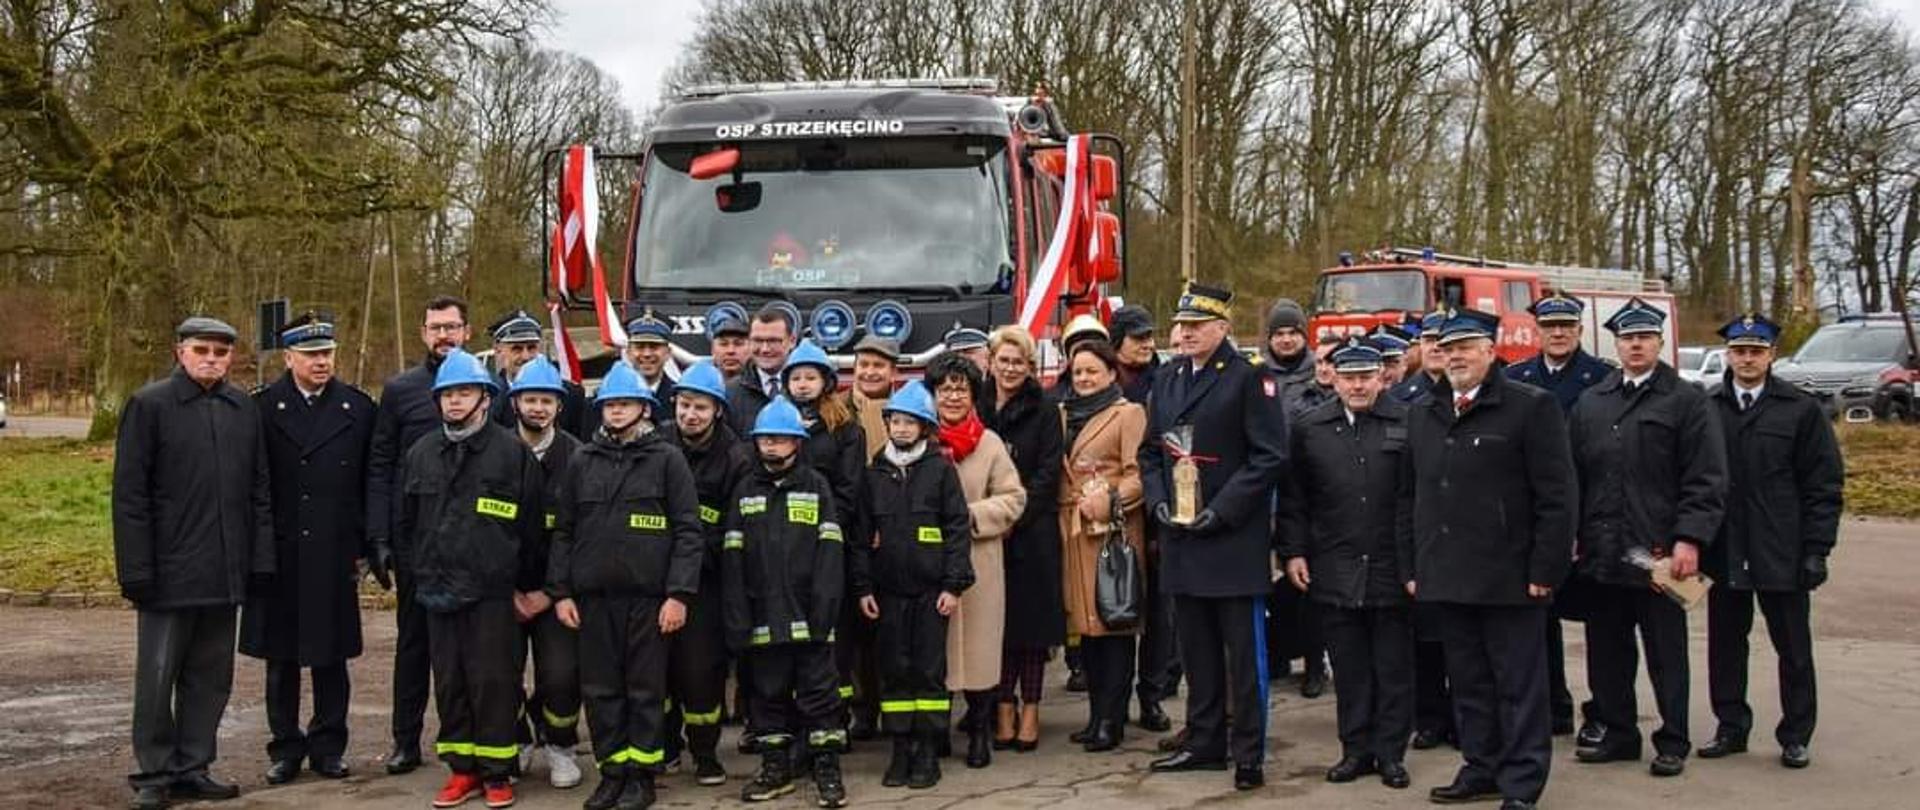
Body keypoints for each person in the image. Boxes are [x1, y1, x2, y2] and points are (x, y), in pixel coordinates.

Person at [1405, 308, 1576, 810]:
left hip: (1511, 577)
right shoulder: (1424, 412)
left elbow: (1557, 497)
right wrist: (1413, 566)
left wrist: (1546, 568)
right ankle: (1481, 766)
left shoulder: (1530, 407)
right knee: (1470, 683)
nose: (1455, 357)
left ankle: (1522, 780)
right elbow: (1408, 497)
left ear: (1490, 351)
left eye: (1466, 348)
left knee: (1519, 686)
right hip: (1448, 574)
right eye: (1448, 349)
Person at [114, 316, 274, 810]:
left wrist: (259, 560)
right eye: (201, 350)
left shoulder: (242, 408)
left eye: (221, 352)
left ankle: (193, 765)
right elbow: (130, 496)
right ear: (180, 351)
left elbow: (259, 490)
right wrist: (136, 569)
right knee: (157, 677)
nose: (211, 359)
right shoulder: (150, 405)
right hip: (167, 571)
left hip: (225, 570)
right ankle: (154, 772)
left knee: (210, 678)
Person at [1569, 297, 1727, 779]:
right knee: (1607, 651)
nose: (1635, 345)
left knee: (1666, 653)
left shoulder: (1686, 400)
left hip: (1659, 552)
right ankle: (1618, 732)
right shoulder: (1593, 401)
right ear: (1615, 345)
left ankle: (1673, 739)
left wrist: (1690, 538)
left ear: (1659, 342)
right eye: (1627, 338)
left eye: (1644, 338)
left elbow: (1706, 476)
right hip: (1603, 549)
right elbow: (1572, 475)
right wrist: (1571, 534)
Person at [1141, 282, 1289, 792]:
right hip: (1181, 538)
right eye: (1181, 326)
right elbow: (1151, 452)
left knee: (1242, 657)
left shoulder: (1249, 377)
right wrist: (1158, 500)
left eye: (1196, 326)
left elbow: (1269, 456)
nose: (1185, 334)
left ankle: (1248, 752)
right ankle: (1204, 743)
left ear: (1222, 328)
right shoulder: (1168, 377)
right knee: (1197, 652)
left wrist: (1222, 510)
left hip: (1231, 540)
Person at [547, 362, 705, 810]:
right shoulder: (582, 460)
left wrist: (678, 595)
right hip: (593, 601)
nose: (616, 411)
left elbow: (688, 531)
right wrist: (561, 593)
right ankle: (612, 772)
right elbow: (564, 532)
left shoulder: (667, 460)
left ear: (644, 409)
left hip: (649, 601)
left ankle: (642, 776)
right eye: (610, 405)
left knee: (645, 689)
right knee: (601, 691)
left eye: (625, 404)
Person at [398, 349, 546, 809]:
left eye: (465, 393)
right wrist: (417, 572)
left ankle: (497, 771)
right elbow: (407, 523)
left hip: (493, 596)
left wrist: (526, 587)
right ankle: (463, 770)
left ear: (485, 398)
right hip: (437, 591)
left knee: (494, 683)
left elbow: (532, 529)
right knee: (451, 684)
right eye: (448, 395)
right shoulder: (421, 453)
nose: (455, 401)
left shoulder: (512, 454)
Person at [1699, 313, 1844, 770]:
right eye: (1739, 351)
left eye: (1756, 351)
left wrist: (1817, 549)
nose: (1747, 359)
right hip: (1723, 547)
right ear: (1728, 355)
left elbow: (1823, 486)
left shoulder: (1799, 409)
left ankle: (1796, 734)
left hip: (1782, 547)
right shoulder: (1707, 406)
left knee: (1793, 648)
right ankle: (1731, 726)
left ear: (1771, 355)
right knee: (1725, 644)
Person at [1277, 337, 1415, 791]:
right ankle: (1355, 749)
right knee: (1350, 668)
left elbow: (1419, 497)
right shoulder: (1310, 427)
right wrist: (1293, 551)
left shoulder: (1408, 421)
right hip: (1333, 564)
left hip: (1392, 566)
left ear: (1382, 378)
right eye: (1349, 377)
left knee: (1393, 669)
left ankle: (1391, 754)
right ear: (1333, 379)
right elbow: (1295, 498)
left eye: (1366, 377)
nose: (1357, 385)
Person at [242, 313, 374, 786]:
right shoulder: (261, 408)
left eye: (327, 353)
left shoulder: (358, 407)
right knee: (281, 660)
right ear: (288, 357)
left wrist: (364, 545)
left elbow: (369, 481)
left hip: (334, 548)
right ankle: (285, 748)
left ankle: (328, 746)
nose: (322, 362)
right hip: (280, 551)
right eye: (311, 354)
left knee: (331, 657)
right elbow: (252, 484)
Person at [722, 397, 850, 806]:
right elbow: (732, 559)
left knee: (820, 697)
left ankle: (827, 769)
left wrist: (825, 610)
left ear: (797, 442)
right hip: (762, 619)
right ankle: (775, 769)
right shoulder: (744, 491)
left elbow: (830, 553)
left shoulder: (816, 487)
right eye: (765, 439)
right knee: (767, 697)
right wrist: (737, 615)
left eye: (780, 438)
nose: (772, 446)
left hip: (811, 618)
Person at [367, 294, 472, 775]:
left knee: (474, 650)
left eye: (452, 326)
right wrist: (379, 536)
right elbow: (380, 464)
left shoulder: (485, 385)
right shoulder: (400, 390)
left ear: (467, 331)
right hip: (416, 540)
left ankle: (471, 736)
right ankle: (405, 740)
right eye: (436, 328)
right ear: (423, 333)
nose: (444, 335)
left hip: (472, 541)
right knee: (413, 646)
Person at [852, 383, 974, 790]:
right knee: (894, 671)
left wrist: (953, 585)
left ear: (925, 427)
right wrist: (863, 588)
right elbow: (860, 537)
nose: (901, 429)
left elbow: (957, 530)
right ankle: (900, 749)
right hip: (888, 593)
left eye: (910, 422)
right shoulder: (874, 474)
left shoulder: (941, 471)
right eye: (896, 422)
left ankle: (927, 750)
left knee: (928, 672)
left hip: (931, 593)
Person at [1504, 292, 1612, 740]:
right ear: (1538, 332)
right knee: (1538, 623)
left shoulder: (1602, 379)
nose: (1559, 333)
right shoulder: (1515, 378)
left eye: (1567, 325)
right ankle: (1552, 708)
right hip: (1534, 519)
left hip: (1590, 516)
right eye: (1550, 327)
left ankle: (1603, 711)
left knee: (1601, 626)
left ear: (1580, 330)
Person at [921, 352, 1028, 770]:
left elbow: (1013, 497)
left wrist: (969, 516)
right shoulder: (920, 438)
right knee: (935, 651)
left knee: (981, 652)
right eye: (944, 389)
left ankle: (980, 731)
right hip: (931, 561)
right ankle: (937, 730)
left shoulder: (989, 443)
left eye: (960, 389)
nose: (952, 397)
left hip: (979, 559)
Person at [658, 360, 751, 785]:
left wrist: (692, 552)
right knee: (658, 669)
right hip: (658, 578)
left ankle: (705, 751)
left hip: (709, 582)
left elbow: (736, 527)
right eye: (684, 405)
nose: (690, 415)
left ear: (717, 410)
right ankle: (666, 744)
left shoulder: (736, 457)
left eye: (700, 407)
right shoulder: (658, 443)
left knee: (701, 671)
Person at [1057, 340, 1148, 753]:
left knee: (1115, 625)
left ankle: (1113, 719)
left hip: (1111, 534)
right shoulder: (1063, 414)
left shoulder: (1128, 414)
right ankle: (1096, 716)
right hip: (1073, 532)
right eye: (1078, 371)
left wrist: (1110, 498)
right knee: (1087, 631)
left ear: (1112, 373)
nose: (1084, 378)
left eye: (1092, 371)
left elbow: (1139, 473)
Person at [503, 356, 586, 790]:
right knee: (501, 673)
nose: (538, 408)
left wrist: (551, 592)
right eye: (530, 399)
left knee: (562, 675)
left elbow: (581, 534)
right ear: (515, 403)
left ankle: (560, 745)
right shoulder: (494, 452)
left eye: (547, 401)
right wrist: (509, 589)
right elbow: (483, 529)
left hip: (558, 593)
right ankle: (517, 739)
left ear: (559, 406)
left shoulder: (578, 457)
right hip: (505, 591)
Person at [982, 326, 1065, 752]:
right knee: (994, 627)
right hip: (985, 529)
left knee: (1031, 630)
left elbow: (1049, 472)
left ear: (1030, 366)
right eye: (1004, 360)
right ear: (991, 362)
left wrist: (1015, 516)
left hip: (1032, 530)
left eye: (1019, 362)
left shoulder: (1046, 409)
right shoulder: (977, 404)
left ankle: (1030, 709)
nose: (1010, 369)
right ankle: (1002, 708)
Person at [1108, 304, 1177, 733]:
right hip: (1110, 513)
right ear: (1117, 342)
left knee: (1158, 612)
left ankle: (1152, 695)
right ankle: (1111, 705)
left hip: (1156, 506)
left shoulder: (1167, 381)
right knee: (1113, 607)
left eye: (1150, 335)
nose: (1147, 343)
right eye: (1138, 337)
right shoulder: (1100, 378)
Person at [1259, 298, 1327, 697]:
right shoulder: (1257, 377)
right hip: (1265, 490)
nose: (1286, 340)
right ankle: (1278, 654)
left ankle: (1315, 663)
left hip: (1307, 491)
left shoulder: (1319, 376)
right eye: (1279, 334)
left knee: (1307, 581)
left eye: (1293, 333)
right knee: (1268, 583)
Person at [487, 308, 591, 439]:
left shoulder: (571, 395)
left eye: (531, 348)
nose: (526, 356)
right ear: (498, 350)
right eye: (517, 349)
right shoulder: (489, 398)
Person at [726, 305, 798, 434]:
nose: (765, 349)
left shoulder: (811, 389)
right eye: (758, 341)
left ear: (792, 341)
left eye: (773, 341)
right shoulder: (730, 393)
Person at [845, 335, 902, 462]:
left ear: (894, 373)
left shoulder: (910, 409)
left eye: (878, 366)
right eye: (864, 365)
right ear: (854, 369)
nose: (870, 372)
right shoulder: (835, 409)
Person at [623, 312, 678, 426]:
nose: (647, 354)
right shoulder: (611, 399)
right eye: (640, 347)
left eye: (654, 347)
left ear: (668, 353)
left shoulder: (680, 399)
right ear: (628, 353)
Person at [1389, 309, 1448, 404]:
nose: (1435, 347)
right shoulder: (1395, 397)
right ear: (1421, 345)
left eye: (1443, 340)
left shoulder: (1467, 394)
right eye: (1429, 340)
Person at [708, 304, 753, 382]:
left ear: (751, 349)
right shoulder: (696, 385)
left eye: (738, 344)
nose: (730, 351)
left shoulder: (767, 385)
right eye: (723, 344)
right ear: (713, 350)